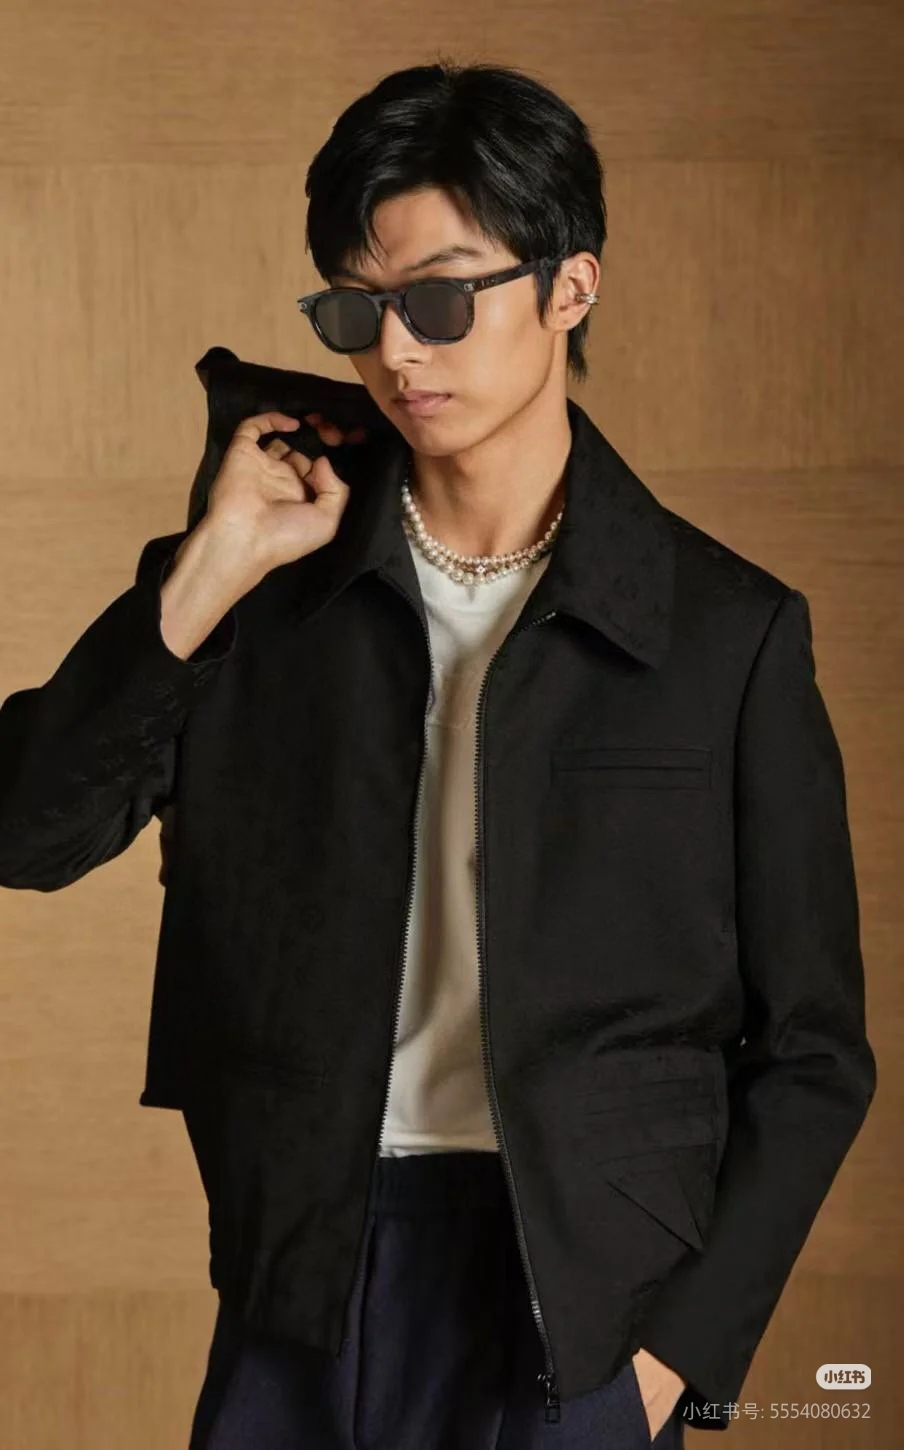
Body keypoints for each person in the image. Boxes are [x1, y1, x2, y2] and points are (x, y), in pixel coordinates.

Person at [0, 60, 875, 1450]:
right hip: (306, 1270)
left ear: (571, 288)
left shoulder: (725, 633)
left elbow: (817, 1047)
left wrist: (668, 1367)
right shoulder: (254, 593)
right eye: (358, 309)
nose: (398, 353)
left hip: (580, 1303)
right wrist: (207, 570)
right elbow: (26, 833)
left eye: (443, 299)